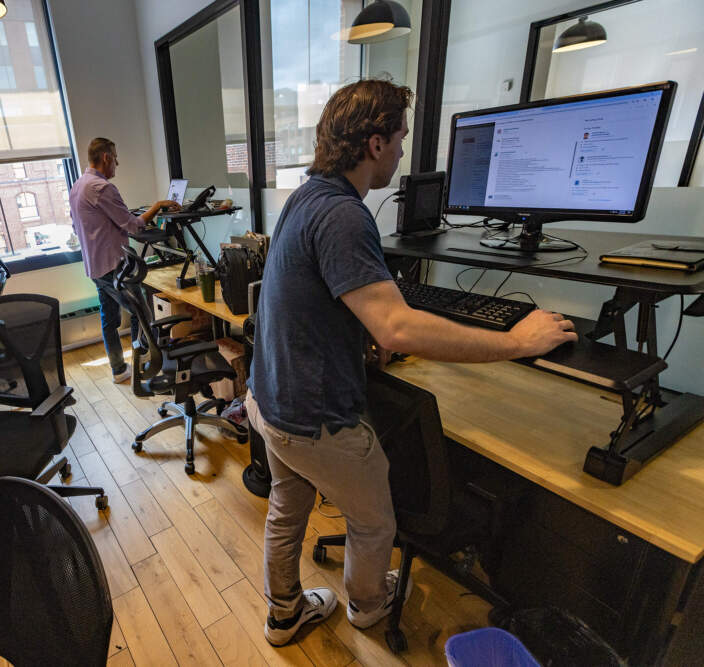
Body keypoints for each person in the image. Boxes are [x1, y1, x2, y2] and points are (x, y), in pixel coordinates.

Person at [245, 79, 577, 647]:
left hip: (270, 401)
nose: (402, 151)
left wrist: (361, 333)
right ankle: (370, 609)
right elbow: (398, 326)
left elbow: (310, 299)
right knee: (375, 522)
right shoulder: (345, 216)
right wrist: (517, 342)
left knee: (286, 505)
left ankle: (283, 615)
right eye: (399, 138)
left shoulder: (306, 196)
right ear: (375, 144)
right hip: (318, 420)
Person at [70, 137, 179, 382]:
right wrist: (159, 206)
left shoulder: (78, 186)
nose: (117, 164)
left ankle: (119, 369)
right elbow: (133, 226)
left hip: (94, 266)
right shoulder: (102, 187)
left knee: (109, 319)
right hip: (113, 266)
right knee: (141, 314)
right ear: (106, 157)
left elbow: (80, 226)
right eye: (116, 158)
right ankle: (146, 367)